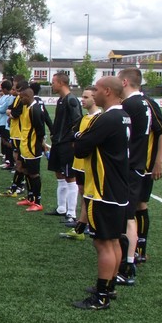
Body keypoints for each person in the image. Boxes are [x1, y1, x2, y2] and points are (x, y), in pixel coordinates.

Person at [72, 76, 131, 310]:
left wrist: (78, 138)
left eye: (96, 89)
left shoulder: (107, 118)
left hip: (103, 189)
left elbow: (81, 148)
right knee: (113, 241)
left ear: (107, 91)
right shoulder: (124, 116)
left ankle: (101, 297)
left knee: (103, 243)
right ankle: (109, 287)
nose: (93, 93)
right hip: (118, 187)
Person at [115, 68, 151, 285]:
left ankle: (127, 266)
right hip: (137, 164)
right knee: (129, 216)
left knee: (127, 217)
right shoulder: (144, 102)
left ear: (125, 82)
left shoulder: (130, 105)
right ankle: (128, 261)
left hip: (130, 166)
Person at [60, 87, 100, 241]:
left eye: (86, 97)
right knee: (83, 193)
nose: (82, 100)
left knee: (90, 195)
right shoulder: (83, 118)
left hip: (90, 165)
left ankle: (85, 226)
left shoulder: (100, 119)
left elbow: (87, 140)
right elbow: (73, 135)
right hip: (78, 163)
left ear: (95, 98)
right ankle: (82, 225)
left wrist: (79, 137)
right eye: (82, 96)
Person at [136, 95, 162, 263]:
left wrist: (159, 162)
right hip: (122, 167)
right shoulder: (119, 102)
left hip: (143, 167)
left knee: (139, 204)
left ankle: (140, 250)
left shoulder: (147, 103)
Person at [47, 73, 82, 221]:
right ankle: (61, 208)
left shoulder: (71, 100)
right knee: (59, 175)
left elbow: (78, 121)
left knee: (70, 176)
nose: (52, 85)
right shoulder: (61, 100)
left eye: (53, 82)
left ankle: (71, 213)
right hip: (57, 143)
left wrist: (72, 139)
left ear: (61, 83)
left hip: (67, 144)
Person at [15, 86, 46, 212]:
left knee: (34, 174)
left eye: (22, 97)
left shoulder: (35, 110)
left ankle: (38, 202)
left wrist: (41, 145)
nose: (20, 100)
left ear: (28, 97)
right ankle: (30, 198)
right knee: (25, 170)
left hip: (32, 148)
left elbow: (40, 130)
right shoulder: (27, 107)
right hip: (24, 146)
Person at [0, 80, 15, 164]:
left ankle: (10, 160)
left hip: (6, 122)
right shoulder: (3, 97)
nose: (1, 90)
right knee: (4, 141)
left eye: (2, 88)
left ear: (5, 89)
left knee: (7, 142)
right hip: (1, 122)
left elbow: (2, 109)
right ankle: (6, 158)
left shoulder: (10, 98)